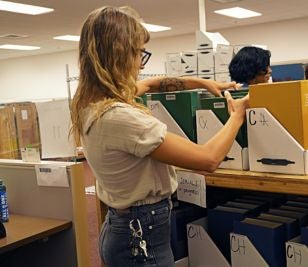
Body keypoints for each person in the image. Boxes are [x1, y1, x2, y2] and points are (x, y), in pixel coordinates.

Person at [69, 6, 248, 266]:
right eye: (139, 53)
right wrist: (237, 116)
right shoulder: (120, 117)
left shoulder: (90, 102)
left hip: (123, 226)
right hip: (140, 235)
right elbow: (208, 159)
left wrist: (204, 82)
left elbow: (152, 84)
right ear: (121, 54)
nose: (141, 63)